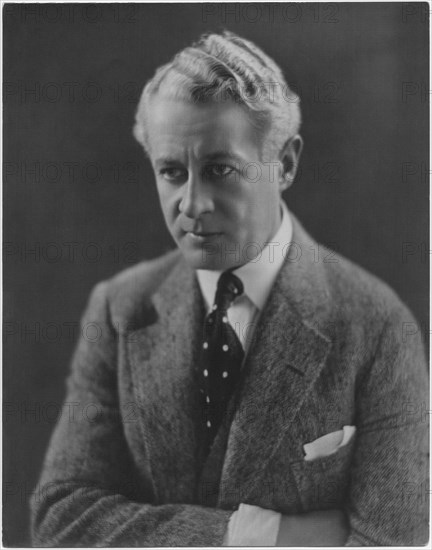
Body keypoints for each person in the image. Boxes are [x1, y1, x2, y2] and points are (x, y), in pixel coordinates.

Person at [30, 31, 428, 546]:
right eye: (171, 172)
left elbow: (396, 543)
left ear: (284, 164)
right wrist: (261, 535)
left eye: (220, 170)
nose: (191, 204)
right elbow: (60, 520)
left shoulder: (377, 325)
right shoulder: (120, 309)